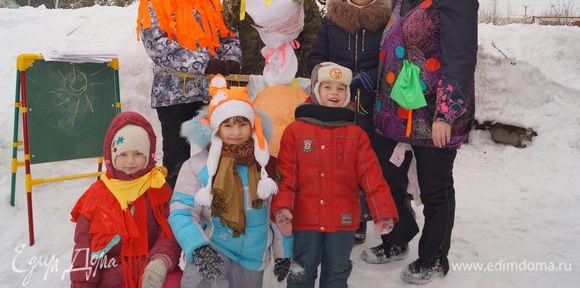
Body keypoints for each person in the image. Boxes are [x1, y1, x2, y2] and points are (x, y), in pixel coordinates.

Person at [362, 0, 479, 285]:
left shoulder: (457, 0)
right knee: (386, 176)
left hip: (433, 115)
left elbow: (459, 62)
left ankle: (433, 258)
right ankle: (399, 236)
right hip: (396, 113)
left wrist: (447, 114)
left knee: (434, 189)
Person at [272, 62, 399, 288]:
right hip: (305, 218)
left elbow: (372, 177)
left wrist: (383, 212)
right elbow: (286, 175)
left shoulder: (355, 134)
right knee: (302, 270)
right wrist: (283, 208)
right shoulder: (296, 131)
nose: (334, 93)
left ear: (347, 93)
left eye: (340, 89)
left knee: (337, 271)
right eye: (327, 87)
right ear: (316, 90)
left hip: (342, 219)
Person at [136, 0, 241, 188]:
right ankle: (176, 211)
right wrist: (205, 64)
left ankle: (219, 206)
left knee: (219, 152)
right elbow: (158, 46)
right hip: (173, 95)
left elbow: (230, 34)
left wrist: (231, 60)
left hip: (210, 91)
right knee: (177, 159)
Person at [169, 75, 291, 288]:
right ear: (216, 129)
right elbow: (182, 212)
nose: (236, 132)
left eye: (242, 124)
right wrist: (199, 248)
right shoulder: (197, 167)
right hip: (213, 249)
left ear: (252, 126)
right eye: (228, 125)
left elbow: (278, 212)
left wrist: (284, 251)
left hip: (252, 257)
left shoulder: (265, 164)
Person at [307, 0, 392, 244]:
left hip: (371, 104)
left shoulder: (386, 19)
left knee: (367, 161)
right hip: (336, 103)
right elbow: (315, 56)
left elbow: (393, 57)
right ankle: (341, 215)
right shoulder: (331, 19)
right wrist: (329, 76)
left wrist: (374, 75)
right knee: (336, 162)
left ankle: (363, 215)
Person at [70, 111, 181, 288]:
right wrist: (84, 281)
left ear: (149, 155)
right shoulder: (97, 195)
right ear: (111, 156)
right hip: (111, 273)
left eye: (138, 153)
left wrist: (161, 260)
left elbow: (170, 231)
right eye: (123, 154)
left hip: (150, 267)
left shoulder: (159, 187)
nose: (130, 161)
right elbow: (84, 243)